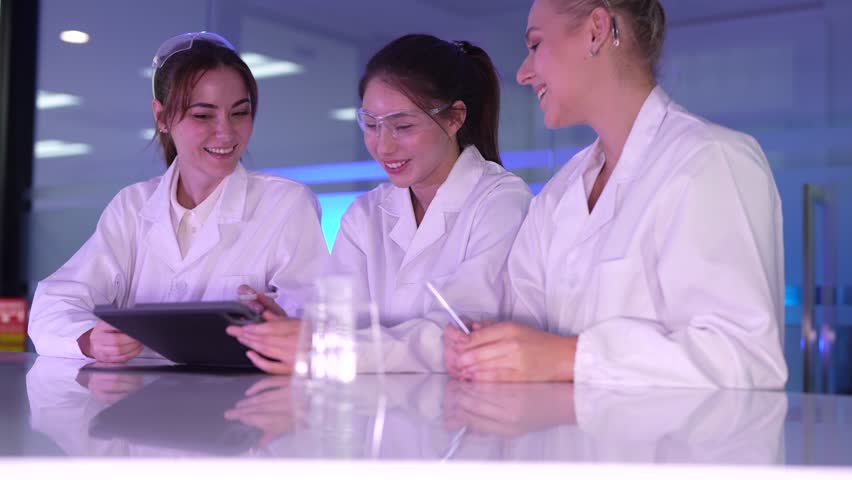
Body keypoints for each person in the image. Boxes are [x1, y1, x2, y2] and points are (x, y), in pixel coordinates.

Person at [444, 0, 788, 388]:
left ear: (596, 30)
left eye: (536, 45)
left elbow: (744, 358)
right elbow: (529, 334)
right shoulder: (558, 197)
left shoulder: (710, 161)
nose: (523, 73)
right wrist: (489, 347)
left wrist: (567, 358)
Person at [228, 34, 532, 373]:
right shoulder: (365, 214)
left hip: (466, 413)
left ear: (454, 118)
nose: (383, 146)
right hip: (373, 412)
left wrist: (327, 348)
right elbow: (337, 327)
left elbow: (464, 336)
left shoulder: (500, 201)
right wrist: (289, 328)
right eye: (371, 125)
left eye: (402, 126)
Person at [28, 32, 328, 363]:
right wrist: (87, 340)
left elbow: (317, 322)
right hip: (139, 406)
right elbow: (55, 301)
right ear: (162, 118)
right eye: (203, 115)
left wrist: (287, 326)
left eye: (239, 113)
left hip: (244, 405)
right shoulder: (133, 207)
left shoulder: (285, 204)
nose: (226, 132)